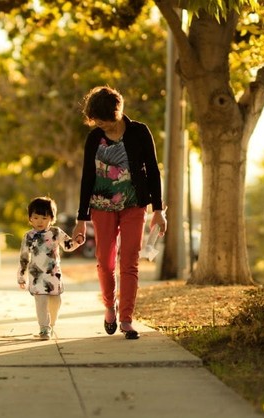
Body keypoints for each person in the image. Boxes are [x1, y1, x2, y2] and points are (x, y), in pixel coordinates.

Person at [71, 86, 167, 340]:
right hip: (101, 206)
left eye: (105, 122)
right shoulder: (94, 138)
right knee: (105, 261)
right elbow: (87, 177)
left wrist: (158, 210)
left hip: (134, 205)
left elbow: (153, 172)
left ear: (118, 113)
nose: (102, 126)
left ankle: (126, 318)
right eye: (97, 122)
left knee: (129, 262)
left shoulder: (139, 132)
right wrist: (81, 219)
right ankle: (108, 308)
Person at [18, 196, 83, 340]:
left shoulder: (56, 232)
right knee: (40, 302)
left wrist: (77, 242)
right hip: (37, 276)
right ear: (30, 218)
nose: (39, 221)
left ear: (51, 218)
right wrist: (21, 276)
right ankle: (44, 328)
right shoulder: (28, 236)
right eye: (35, 217)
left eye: (44, 218)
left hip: (53, 275)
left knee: (55, 302)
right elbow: (24, 257)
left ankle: (51, 324)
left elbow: (67, 246)